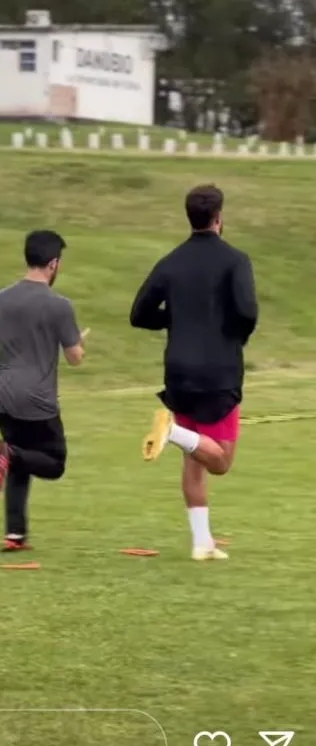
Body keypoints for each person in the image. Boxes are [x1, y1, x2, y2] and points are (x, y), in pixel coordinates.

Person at [130, 184, 258, 561]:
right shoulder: (235, 260)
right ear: (219, 217)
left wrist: (174, 318)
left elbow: (138, 314)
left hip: (179, 370)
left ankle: (202, 543)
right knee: (220, 461)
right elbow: (248, 312)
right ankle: (170, 432)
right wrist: (235, 336)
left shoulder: (171, 261)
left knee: (194, 454)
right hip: (219, 370)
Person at [0, 230, 88, 552]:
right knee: (53, 463)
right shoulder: (59, 305)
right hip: (36, 397)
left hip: (1, 395)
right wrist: (78, 342)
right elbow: (75, 358)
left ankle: (14, 535)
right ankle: (7, 454)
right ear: (53, 264)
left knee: (16, 455)